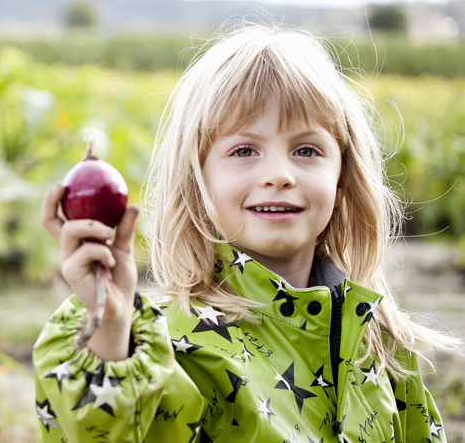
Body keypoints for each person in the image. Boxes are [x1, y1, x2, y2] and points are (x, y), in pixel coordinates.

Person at [34, 24, 460, 443]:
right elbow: (108, 432)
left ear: (342, 179)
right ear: (197, 181)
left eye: (306, 150)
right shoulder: (170, 347)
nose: (278, 175)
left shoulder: (379, 345)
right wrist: (110, 329)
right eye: (244, 150)